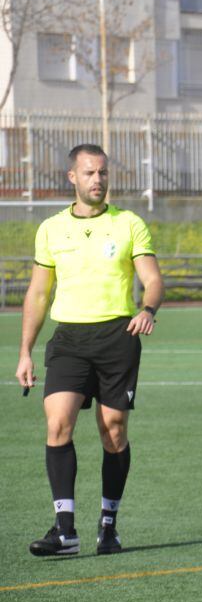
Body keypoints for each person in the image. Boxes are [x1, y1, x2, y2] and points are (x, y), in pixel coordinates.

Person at [16, 144, 164, 557]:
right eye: (88, 173)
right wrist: (25, 350)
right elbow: (39, 293)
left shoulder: (129, 224)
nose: (97, 180)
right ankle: (64, 531)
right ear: (72, 178)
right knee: (57, 423)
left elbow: (152, 279)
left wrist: (148, 308)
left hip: (118, 337)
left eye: (102, 173)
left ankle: (108, 525)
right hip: (69, 341)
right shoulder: (50, 229)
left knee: (113, 431)